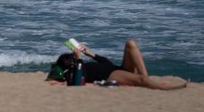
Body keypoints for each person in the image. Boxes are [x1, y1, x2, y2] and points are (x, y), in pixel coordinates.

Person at [55, 38, 188, 90]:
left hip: (117, 69)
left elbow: (107, 62)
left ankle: (145, 78)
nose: (71, 56)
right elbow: (78, 82)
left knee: (131, 43)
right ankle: (167, 87)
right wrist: (78, 59)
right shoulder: (77, 69)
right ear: (67, 64)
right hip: (112, 75)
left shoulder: (84, 64)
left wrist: (90, 54)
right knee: (141, 80)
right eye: (68, 58)